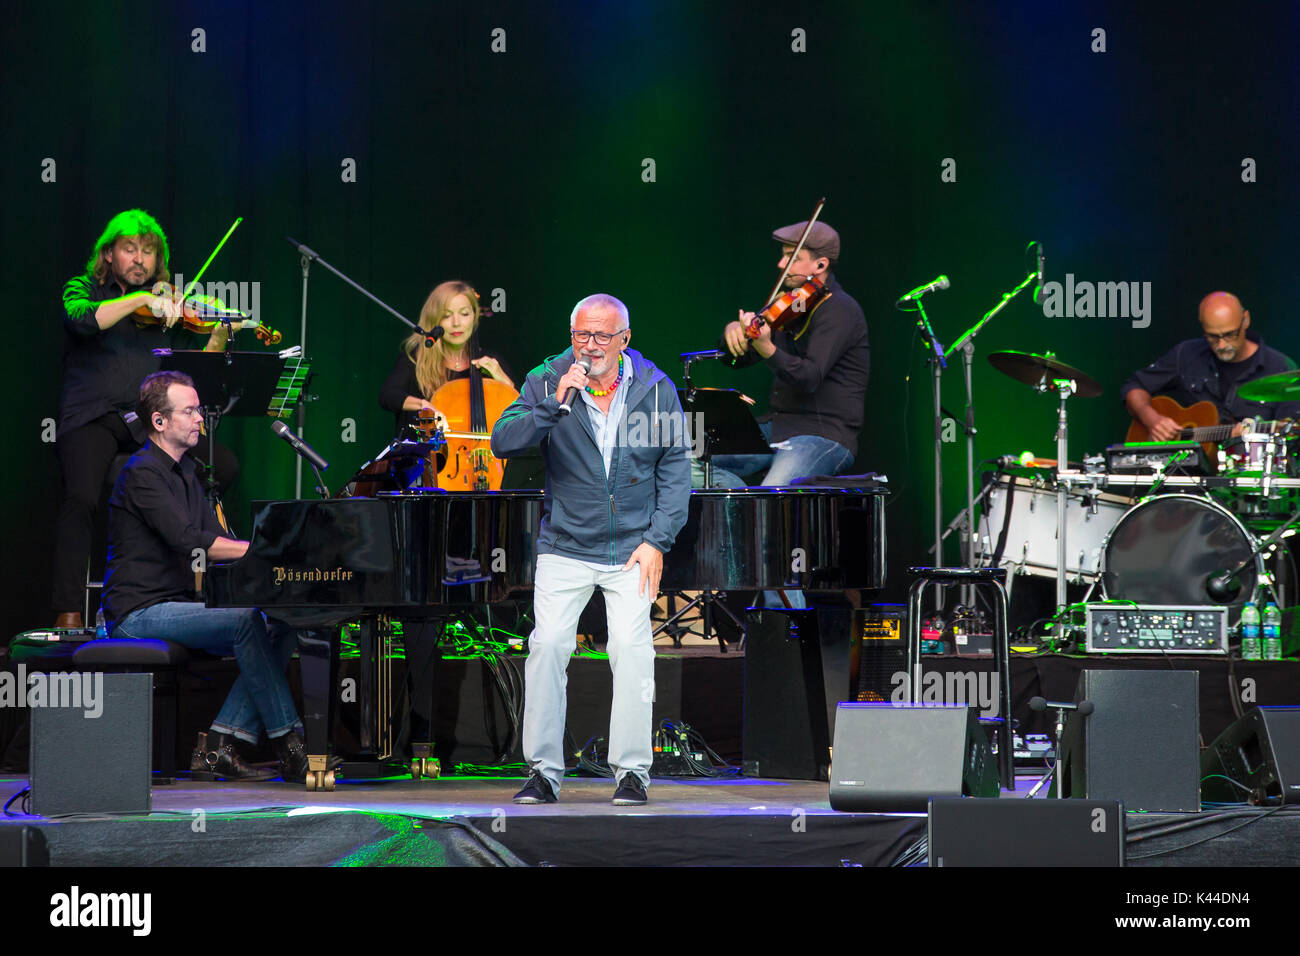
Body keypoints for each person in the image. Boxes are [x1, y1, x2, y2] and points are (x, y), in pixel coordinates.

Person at [491, 293, 691, 806]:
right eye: (582, 335)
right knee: (547, 646)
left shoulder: (655, 387)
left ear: (625, 339)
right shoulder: (548, 377)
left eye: (603, 336)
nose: (591, 346)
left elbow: (674, 469)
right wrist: (555, 402)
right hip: (565, 542)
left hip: (632, 547)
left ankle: (632, 773)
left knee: (632, 650)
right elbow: (504, 440)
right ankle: (543, 771)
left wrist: (656, 541)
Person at [104, 370, 309, 783]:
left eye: (199, 410)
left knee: (286, 619)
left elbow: (218, 542)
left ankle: (218, 746)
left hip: (178, 606)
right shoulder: (140, 471)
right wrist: (264, 553)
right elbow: (188, 540)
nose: (201, 419)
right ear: (159, 422)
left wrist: (268, 559)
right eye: (191, 411)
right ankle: (291, 744)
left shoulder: (188, 473)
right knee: (246, 621)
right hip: (138, 612)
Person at [53, 209, 239, 628]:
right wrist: (140, 299)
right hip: (92, 417)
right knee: (80, 498)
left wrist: (220, 331)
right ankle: (68, 609)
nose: (139, 259)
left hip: (146, 421)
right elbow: (82, 321)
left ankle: (183, 581)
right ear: (109, 254)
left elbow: (197, 375)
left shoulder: (169, 306)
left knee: (219, 465)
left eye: (148, 252)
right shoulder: (84, 288)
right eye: (130, 249)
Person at [711, 219, 869, 487]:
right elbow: (737, 359)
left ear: (820, 265)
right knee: (686, 461)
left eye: (791, 257)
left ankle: (752, 507)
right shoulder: (791, 304)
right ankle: (741, 507)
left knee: (773, 495)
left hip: (823, 435)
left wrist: (768, 347)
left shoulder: (841, 310)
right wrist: (732, 335)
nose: (781, 265)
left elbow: (810, 377)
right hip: (778, 428)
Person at [1122, 291, 1300, 437]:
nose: (1222, 345)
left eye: (1230, 334)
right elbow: (1134, 387)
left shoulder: (1280, 367)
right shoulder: (1186, 354)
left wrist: (1250, 439)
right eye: (1213, 337)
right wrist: (1152, 420)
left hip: (1246, 476)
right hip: (1184, 474)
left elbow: (1289, 434)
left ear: (1245, 320)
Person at [379, 280, 514, 435]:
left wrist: (505, 381)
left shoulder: (490, 361)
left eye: (464, 314)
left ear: (474, 317)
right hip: (427, 456)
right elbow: (387, 395)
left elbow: (526, 416)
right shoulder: (415, 359)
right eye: (446, 315)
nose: (456, 323)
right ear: (434, 320)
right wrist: (423, 405)